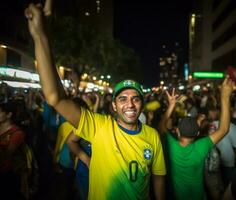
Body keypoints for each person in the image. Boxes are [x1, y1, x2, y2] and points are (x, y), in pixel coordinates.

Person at [25, 3, 166, 200]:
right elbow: (54, 97)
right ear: (114, 105)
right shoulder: (99, 127)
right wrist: (40, 36)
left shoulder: (152, 136)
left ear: (142, 104)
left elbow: (158, 176)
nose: (130, 104)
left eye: (135, 99)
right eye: (123, 99)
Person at [158, 77, 235, 200]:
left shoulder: (171, 145)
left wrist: (171, 105)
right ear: (198, 133)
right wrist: (225, 97)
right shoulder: (202, 146)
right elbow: (224, 129)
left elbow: (162, 126)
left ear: (177, 132)